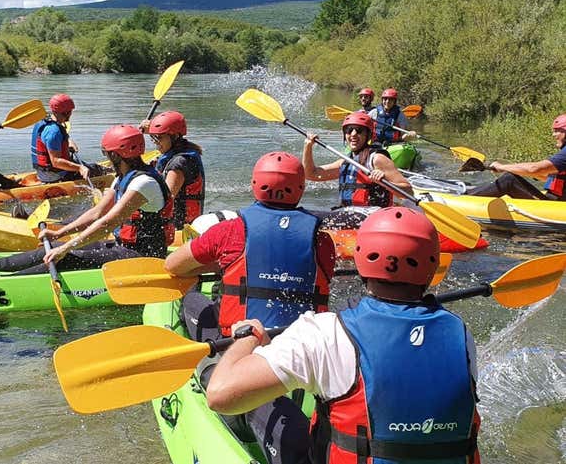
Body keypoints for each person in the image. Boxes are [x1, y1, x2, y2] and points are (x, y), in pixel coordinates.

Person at [206, 206, 481, 464]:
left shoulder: (324, 332)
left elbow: (220, 395)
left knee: (261, 402)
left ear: (360, 258)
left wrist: (248, 337)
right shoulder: (461, 334)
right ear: (432, 267)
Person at [164, 151, 335, 464]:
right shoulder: (323, 240)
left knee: (190, 299)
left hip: (244, 343)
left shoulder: (231, 229)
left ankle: (210, 373)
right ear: (300, 188)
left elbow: (173, 265)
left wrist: (223, 263)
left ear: (256, 184)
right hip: (303, 346)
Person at [0, 125, 174, 276]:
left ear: (116, 155)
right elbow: (97, 212)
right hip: (123, 245)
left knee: (65, 257)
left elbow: (108, 223)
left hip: (143, 256)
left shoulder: (143, 183)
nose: (106, 157)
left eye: (106, 153)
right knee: (52, 247)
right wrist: (60, 234)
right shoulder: (123, 177)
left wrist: (67, 248)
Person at [302, 111, 411, 208]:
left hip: (374, 216)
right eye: (349, 130)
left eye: (359, 130)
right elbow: (311, 174)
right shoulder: (345, 162)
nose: (353, 134)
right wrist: (308, 147)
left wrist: (384, 183)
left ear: (368, 135)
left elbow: (409, 192)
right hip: (348, 213)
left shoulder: (377, 159)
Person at [467, 114, 566, 201]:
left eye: (557, 131)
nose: (553, 135)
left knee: (509, 180)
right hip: (555, 202)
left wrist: (502, 167)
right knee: (512, 176)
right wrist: (519, 171)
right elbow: (548, 177)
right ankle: (468, 194)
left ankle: (465, 198)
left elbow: (534, 168)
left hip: (553, 207)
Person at [144, 110, 205, 228]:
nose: (156, 142)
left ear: (175, 136)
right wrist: (151, 129)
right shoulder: (179, 151)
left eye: (159, 138)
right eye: (153, 137)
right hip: (176, 223)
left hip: (180, 228)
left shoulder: (179, 164)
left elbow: (165, 200)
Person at [31, 93, 105, 183]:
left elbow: (56, 139)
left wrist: (69, 141)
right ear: (67, 112)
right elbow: (56, 162)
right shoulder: (53, 132)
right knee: (96, 170)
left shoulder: (45, 122)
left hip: (43, 172)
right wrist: (80, 168)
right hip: (55, 176)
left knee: (90, 166)